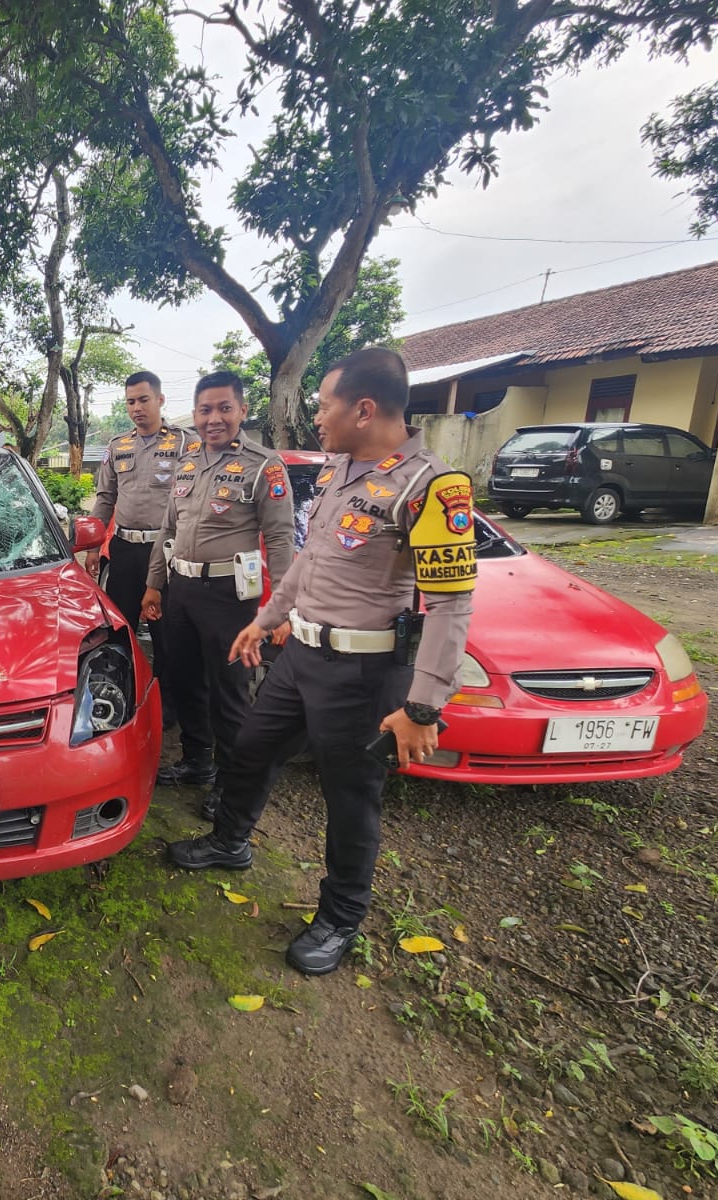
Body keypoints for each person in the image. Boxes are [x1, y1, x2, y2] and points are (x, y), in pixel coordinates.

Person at [166, 347, 477, 978]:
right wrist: (266, 619)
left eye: (324, 404)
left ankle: (340, 917)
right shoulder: (341, 471)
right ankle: (230, 841)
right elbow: (307, 561)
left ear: (363, 409)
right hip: (301, 655)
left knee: (350, 797)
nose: (316, 415)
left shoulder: (431, 487)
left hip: (363, 673)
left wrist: (422, 707)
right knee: (252, 747)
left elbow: (451, 606)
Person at [142, 371, 295, 816]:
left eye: (224, 408)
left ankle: (231, 785)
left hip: (229, 597)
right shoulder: (188, 462)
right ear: (194, 414)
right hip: (182, 590)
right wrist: (154, 584)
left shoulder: (264, 465)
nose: (214, 419)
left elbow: (280, 538)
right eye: (205, 410)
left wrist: (281, 608)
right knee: (186, 679)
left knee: (229, 692)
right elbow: (168, 529)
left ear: (242, 410)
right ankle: (197, 762)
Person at [86, 371, 193, 728]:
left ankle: (167, 707)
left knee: (167, 635)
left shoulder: (184, 443)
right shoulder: (118, 446)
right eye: (131, 401)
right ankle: (121, 700)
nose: (137, 408)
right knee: (121, 630)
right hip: (124, 550)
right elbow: (105, 498)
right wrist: (92, 543)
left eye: (144, 400)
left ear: (160, 400)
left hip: (165, 551)